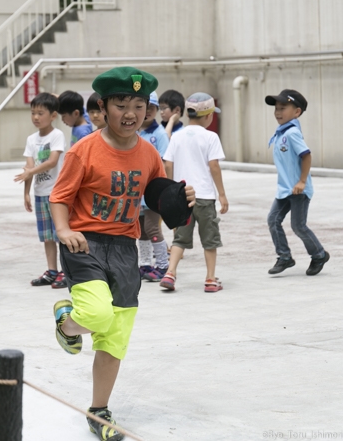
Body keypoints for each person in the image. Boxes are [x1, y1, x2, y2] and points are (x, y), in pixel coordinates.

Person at [50, 67, 195, 440]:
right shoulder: (84, 150)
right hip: (85, 243)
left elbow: (155, 196)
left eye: (138, 105)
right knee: (96, 314)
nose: (130, 113)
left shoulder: (148, 153)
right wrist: (65, 231)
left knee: (115, 335)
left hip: (125, 249)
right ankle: (67, 321)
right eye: (120, 104)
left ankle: (99, 410)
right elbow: (60, 197)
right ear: (103, 106)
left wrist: (180, 200)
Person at [161, 92, 228, 292]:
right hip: (205, 197)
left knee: (180, 238)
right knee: (210, 239)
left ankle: (170, 273)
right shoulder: (210, 136)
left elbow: (167, 164)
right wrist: (222, 194)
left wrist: (172, 189)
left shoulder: (177, 136)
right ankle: (210, 278)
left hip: (183, 196)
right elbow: (214, 166)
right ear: (208, 116)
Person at [265, 89, 329, 275]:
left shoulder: (292, 133)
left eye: (283, 108)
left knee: (298, 226)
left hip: (298, 190)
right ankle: (285, 257)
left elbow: (307, 156)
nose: (278, 112)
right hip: (285, 189)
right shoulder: (281, 132)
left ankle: (319, 254)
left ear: (297, 112)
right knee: (273, 220)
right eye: (276, 108)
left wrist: (302, 181)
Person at [14, 92, 67, 289]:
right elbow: (28, 168)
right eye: (33, 113)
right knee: (47, 236)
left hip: (57, 193)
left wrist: (30, 172)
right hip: (40, 192)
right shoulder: (31, 139)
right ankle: (52, 270)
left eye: (41, 113)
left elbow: (52, 161)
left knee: (61, 234)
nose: (36, 117)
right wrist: (26, 193)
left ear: (53, 115)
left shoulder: (57, 135)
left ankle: (66, 271)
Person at [137, 91, 170, 281]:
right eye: (143, 107)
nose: (147, 112)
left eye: (151, 108)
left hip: (153, 191)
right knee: (141, 229)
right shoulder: (135, 132)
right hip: (137, 191)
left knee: (152, 228)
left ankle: (163, 265)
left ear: (157, 110)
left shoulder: (159, 135)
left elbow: (165, 163)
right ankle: (145, 264)